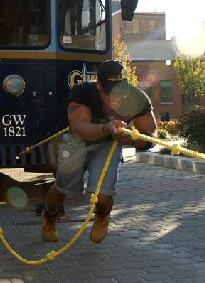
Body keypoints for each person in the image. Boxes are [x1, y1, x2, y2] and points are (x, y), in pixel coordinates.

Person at [41, 60, 157, 243]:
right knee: (63, 187)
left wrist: (132, 140)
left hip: (108, 145)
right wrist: (106, 129)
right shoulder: (82, 92)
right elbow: (79, 126)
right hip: (77, 143)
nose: (114, 102)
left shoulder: (138, 99)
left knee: (103, 193)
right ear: (99, 86)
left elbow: (150, 135)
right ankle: (49, 215)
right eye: (109, 95)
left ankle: (102, 215)